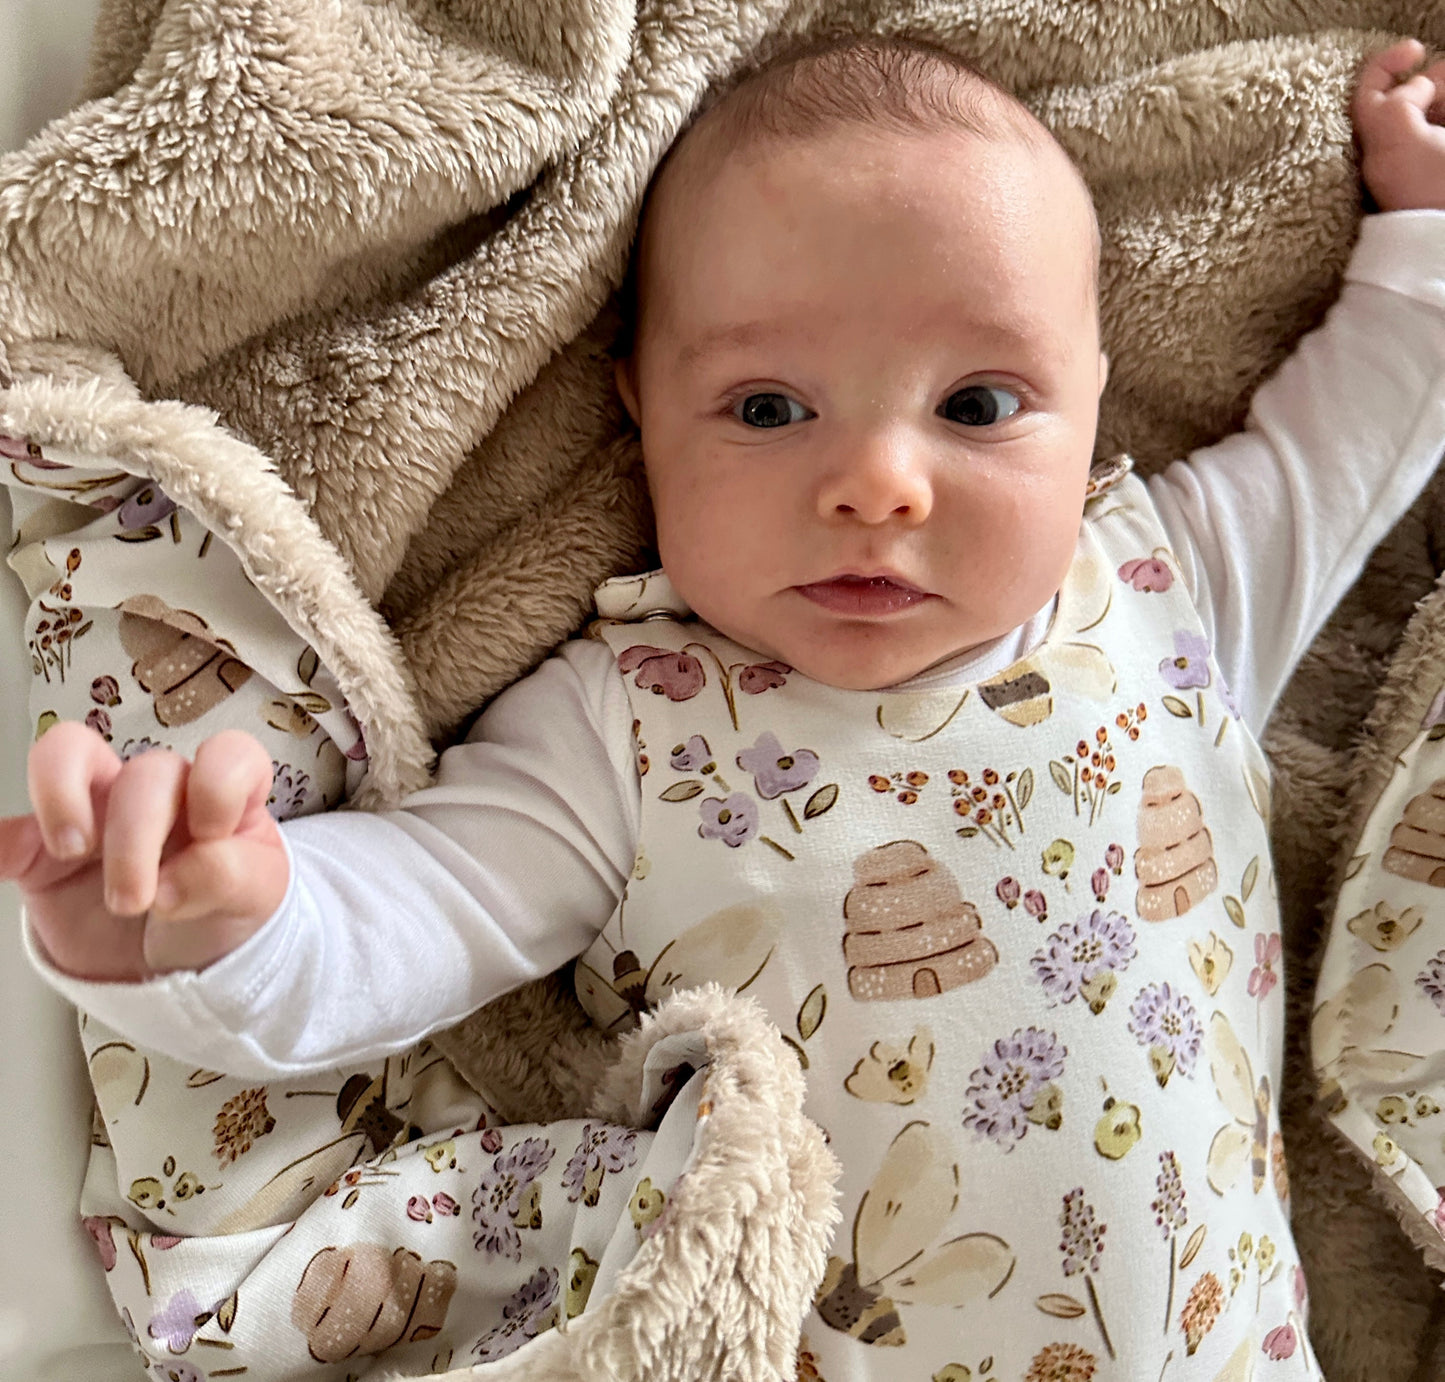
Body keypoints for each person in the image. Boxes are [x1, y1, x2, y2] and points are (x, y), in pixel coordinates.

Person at [6, 31, 1445, 1381]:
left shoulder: (1171, 588)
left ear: (1092, 398)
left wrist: (1422, 230)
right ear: (637, 409)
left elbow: (1364, 424)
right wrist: (219, 928)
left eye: (980, 404)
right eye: (766, 408)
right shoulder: (630, 724)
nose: (879, 481)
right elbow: (405, 920)